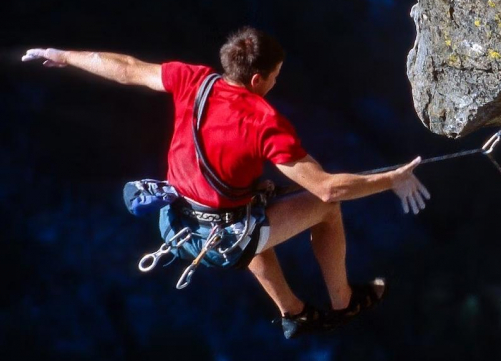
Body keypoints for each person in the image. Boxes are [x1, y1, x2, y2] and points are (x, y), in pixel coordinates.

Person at [21, 26, 431, 338]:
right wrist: (391, 180)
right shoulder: (264, 121)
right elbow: (326, 188)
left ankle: (294, 313)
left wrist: (64, 56)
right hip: (217, 238)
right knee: (325, 210)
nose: (274, 84)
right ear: (257, 80)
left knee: (255, 209)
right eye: (274, 76)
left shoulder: (193, 80)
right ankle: (343, 304)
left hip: (175, 221)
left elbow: (126, 69)